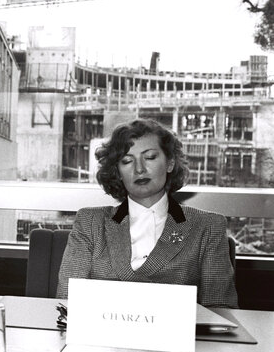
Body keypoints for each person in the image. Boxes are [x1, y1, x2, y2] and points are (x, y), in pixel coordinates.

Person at [56, 118, 238, 307]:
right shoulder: (89, 222)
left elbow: (220, 311)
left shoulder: (207, 226)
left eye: (150, 157)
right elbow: (67, 302)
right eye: (127, 161)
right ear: (117, 172)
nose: (139, 169)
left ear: (170, 164)